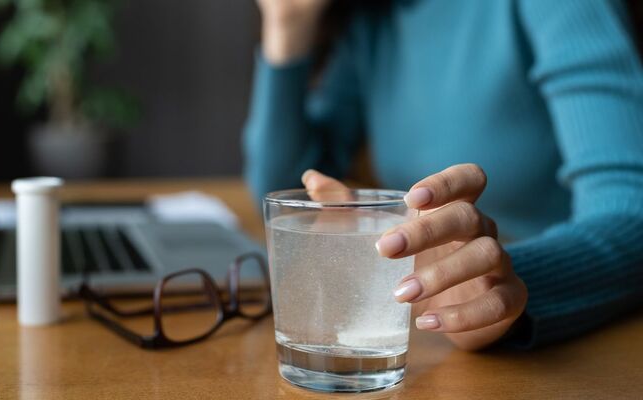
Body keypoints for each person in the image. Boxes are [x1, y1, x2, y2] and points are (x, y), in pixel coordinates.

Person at [243, 0, 643, 350]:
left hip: (589, 339)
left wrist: (506, 282)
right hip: (435, 337)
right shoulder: (374, 17)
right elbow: (289, 197)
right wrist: (287, 24)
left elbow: (632, 213)